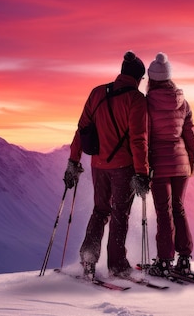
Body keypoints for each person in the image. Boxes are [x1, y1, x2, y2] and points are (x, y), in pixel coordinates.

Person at [64, 51, 150, 279]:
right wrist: (142, 173)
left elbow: (82, 130)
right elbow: (138, 139)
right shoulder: (136, 100)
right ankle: (118, 265)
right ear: (138, 77)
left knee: (100, 211)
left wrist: (73, 162)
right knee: (119, 214)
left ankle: (88, 260)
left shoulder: (97, 93)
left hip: (98, 165)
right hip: (124, 168)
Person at [145, 52, 194, 276]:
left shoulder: (147, 104)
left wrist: (143, 165)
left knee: (164, 212)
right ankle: (184, 257)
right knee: (179, 208)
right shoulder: (183, 102)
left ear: (151, 79)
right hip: (182, 164)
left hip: (159, 164)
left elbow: (144, 135)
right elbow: (190, 134)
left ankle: (165, 260)